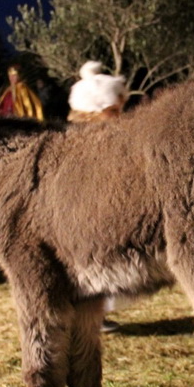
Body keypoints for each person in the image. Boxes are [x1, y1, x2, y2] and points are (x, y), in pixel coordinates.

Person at [68, 60, 129, 331]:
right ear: (94, 111)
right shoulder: (83, 140)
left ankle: (95, 316)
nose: (120, 114)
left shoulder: (109, 136)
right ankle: (87, 318)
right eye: (113, 110)